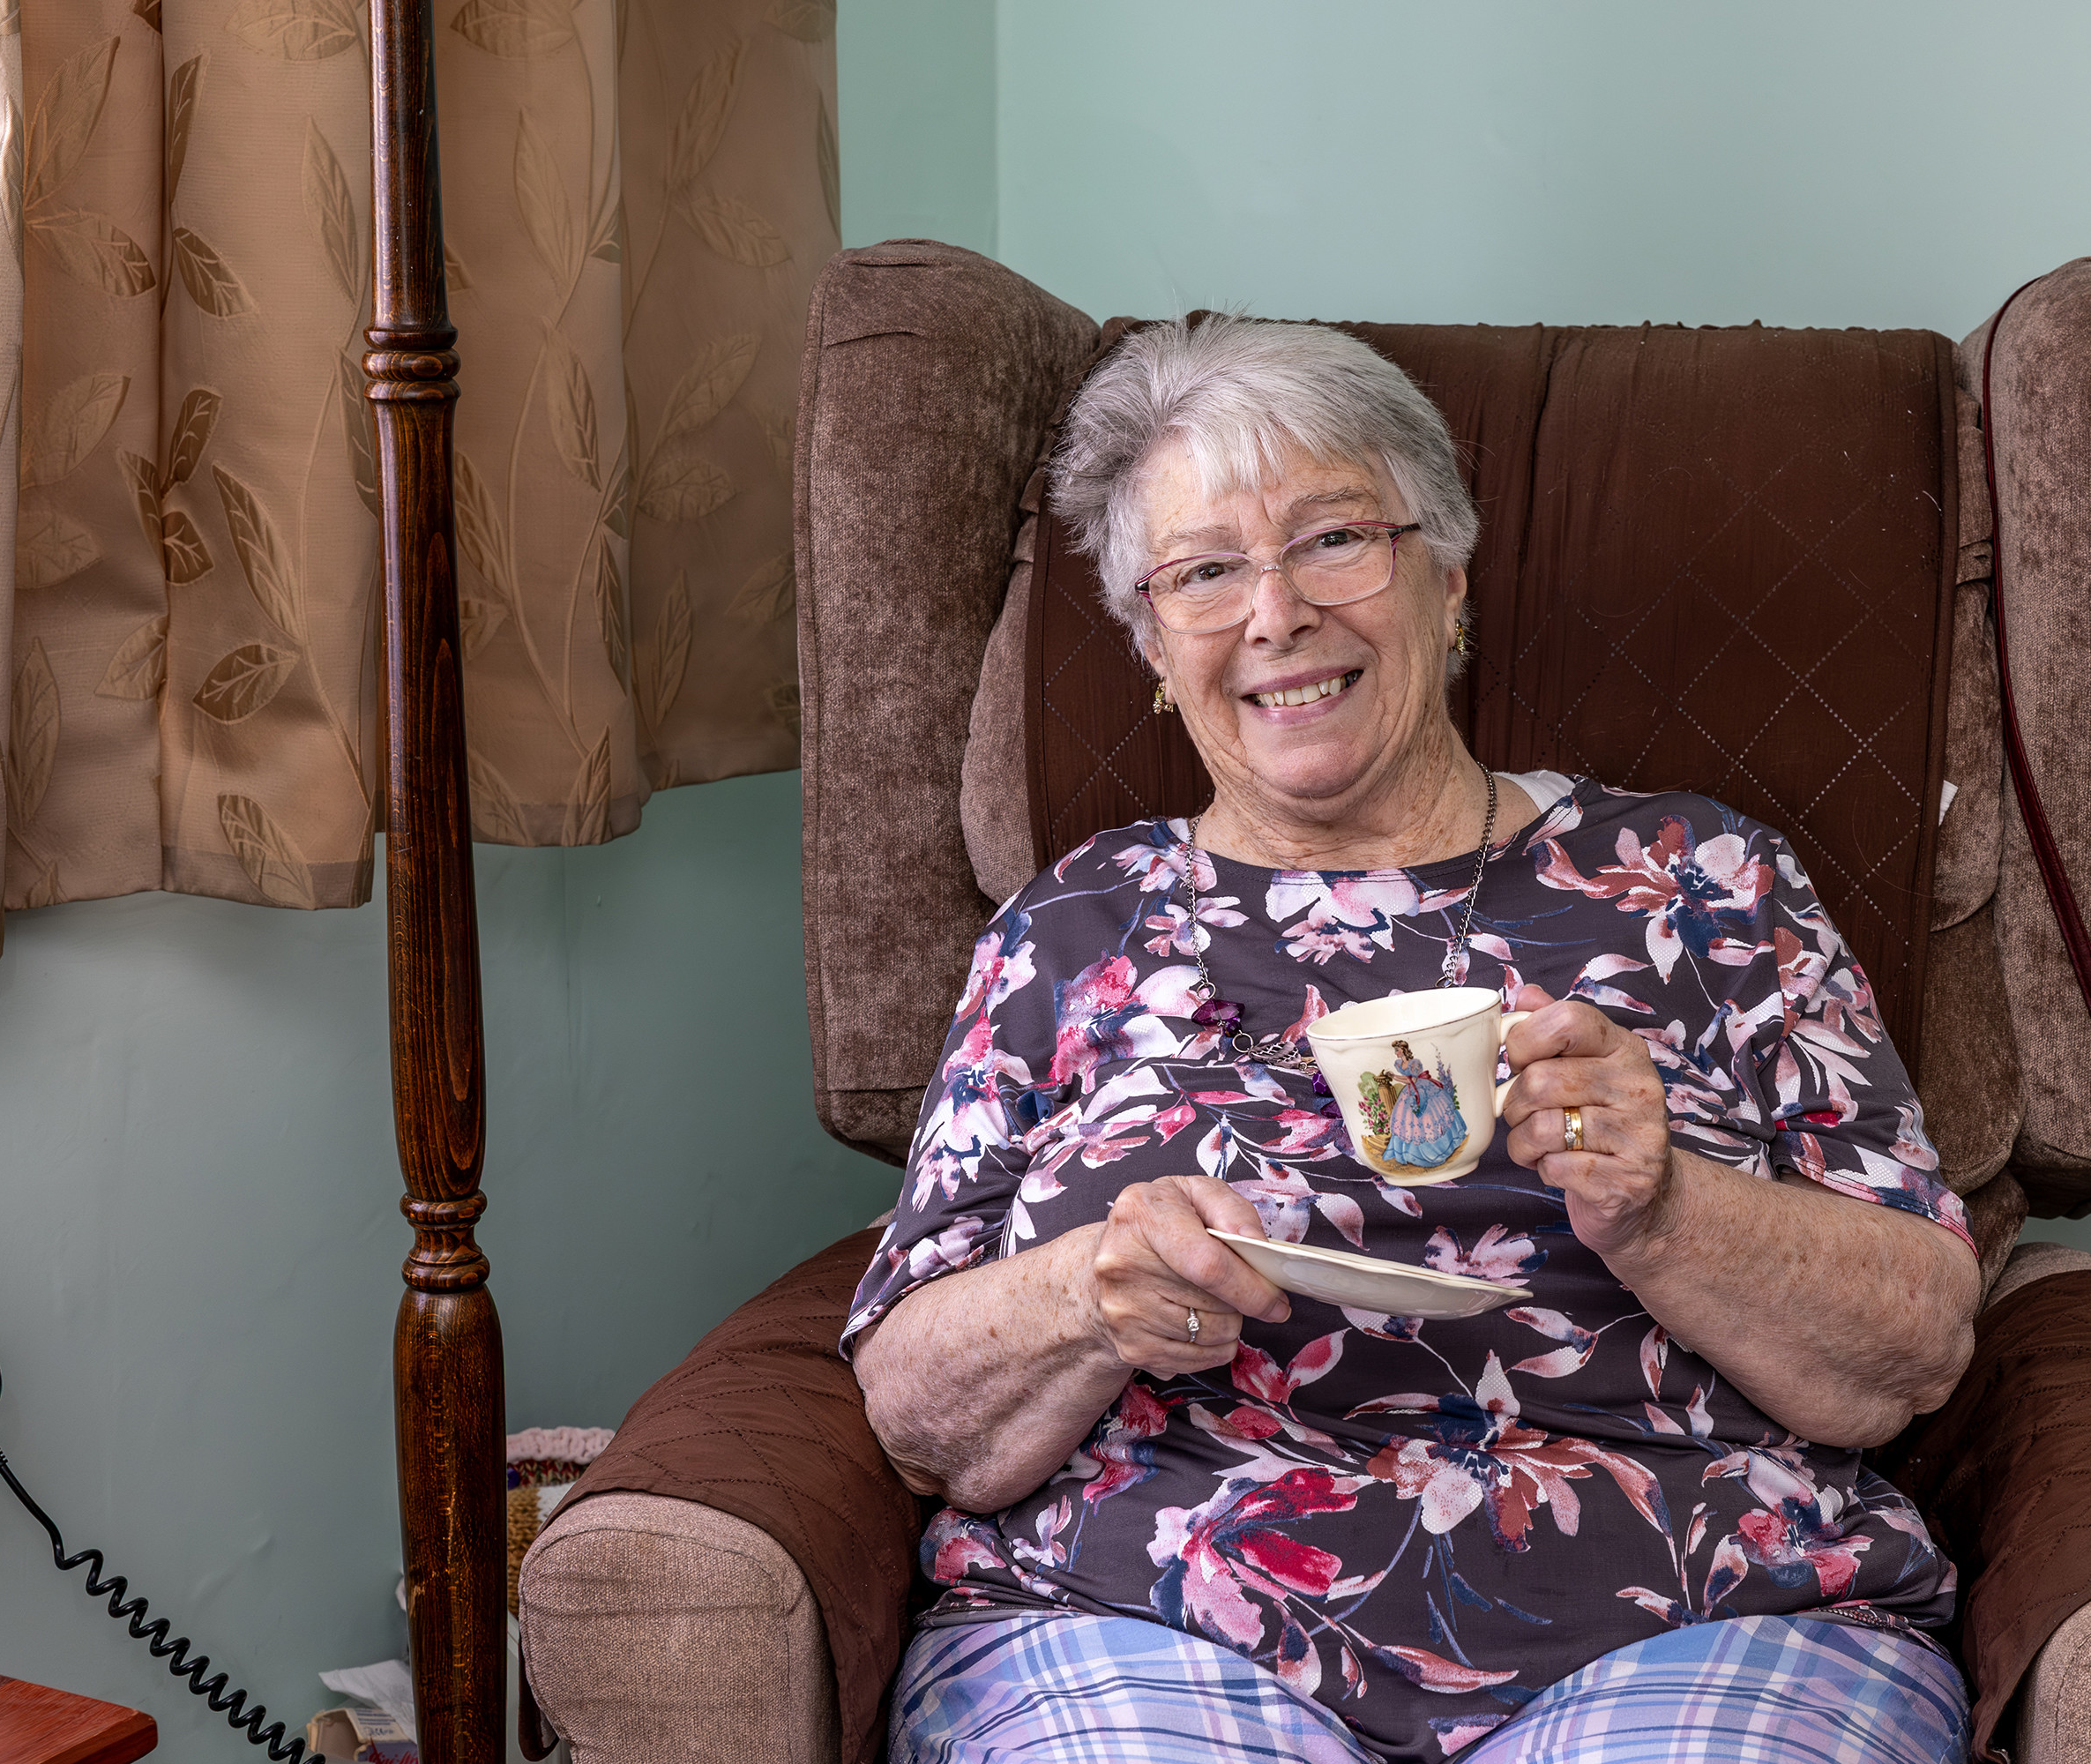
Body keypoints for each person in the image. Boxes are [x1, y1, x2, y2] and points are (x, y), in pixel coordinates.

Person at [846, 315, 1983, 1764]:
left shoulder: (1704, 884)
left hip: (1702, 1620)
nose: (1274, 615)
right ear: (1151, 643)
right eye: (1204, 574)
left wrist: (1667, 1207)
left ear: (1447, 573)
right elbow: (919, 1419)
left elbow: (1912, 1353)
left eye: (1333, 541)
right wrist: (1090, 1293)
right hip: (1142, 1620)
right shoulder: (1072, 928)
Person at [1379, 1040, 1466, 1170]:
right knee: (1407, 1119)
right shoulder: (1399, 1064)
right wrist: (1394, 1076)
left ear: (1403, 1050)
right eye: (1395, 1051)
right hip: (1409, 1090)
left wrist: (1395, 1077)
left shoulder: (1415, 1063)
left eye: (1397, 1050)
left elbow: (1413, 1080)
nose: (1396, 1053)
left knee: (1430, 1115)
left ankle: (1435, 1150)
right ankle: (1410, 1152)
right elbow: (1408, 1080)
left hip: (1421, 1088)